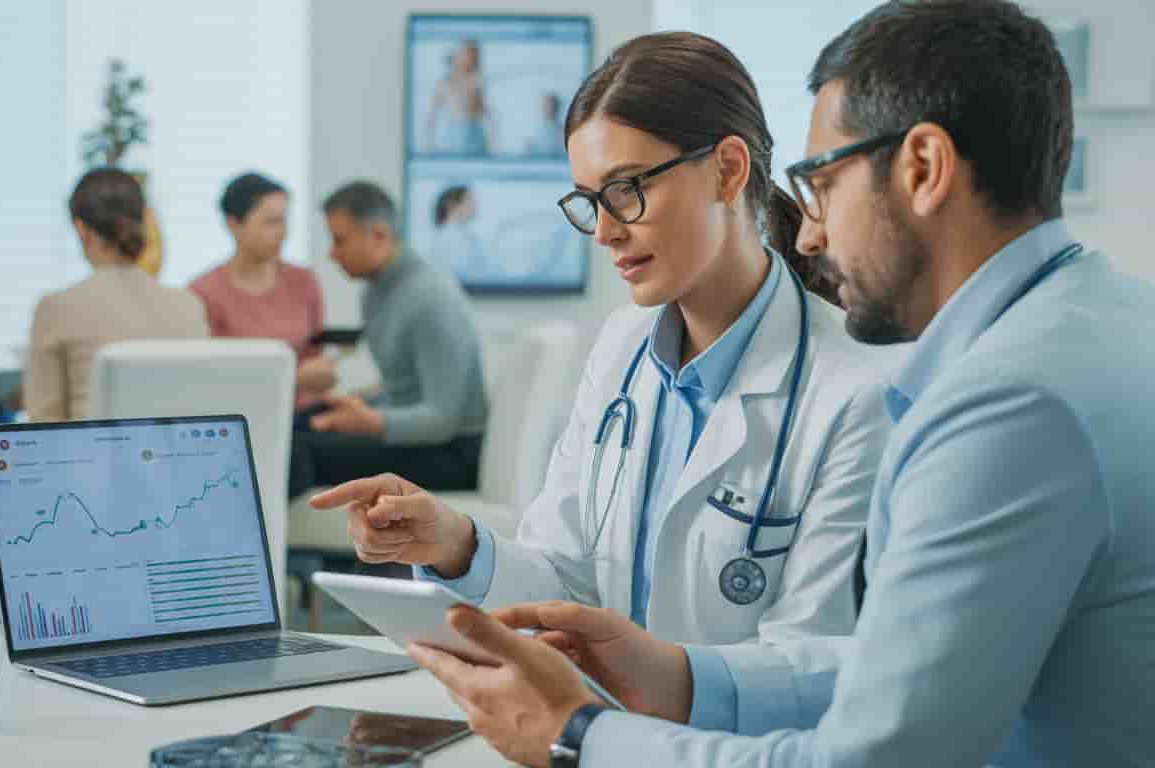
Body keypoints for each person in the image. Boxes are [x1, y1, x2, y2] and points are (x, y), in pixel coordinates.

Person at [402, 3, 1155, 767]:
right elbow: (895, 673)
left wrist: (578, 737)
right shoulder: (1111, 325)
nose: (810, 233)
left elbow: (874, 754)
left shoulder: (1006, 406)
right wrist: (678, 675)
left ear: (924, 168)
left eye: (822, 182)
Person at [312, 31, 897, 664]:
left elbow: (808, 663)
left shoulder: (858, 388)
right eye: (591, 202)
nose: (606, 232)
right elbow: (564, 578)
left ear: (728, 170)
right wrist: (455, 544)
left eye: (626, 189)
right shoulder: (621, 345)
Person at [287, 181, 488, 498]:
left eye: (340, 240)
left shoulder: (432, 299)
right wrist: (365, 408)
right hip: (415, 438)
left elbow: (442, 420)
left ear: (379, 236)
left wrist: (371, 421)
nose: (332, 253)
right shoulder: (375, 291)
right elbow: (402, 389)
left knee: (295, 452)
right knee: (296, 424)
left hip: (451, 452)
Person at [25, 168, 208, 421]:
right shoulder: (189, 305)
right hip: (174, 459)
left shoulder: (55, 308)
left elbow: (44, 426)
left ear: (81, 229)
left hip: (89, 458)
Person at [190, 173, 334, 410]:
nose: (282, 232)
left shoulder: (304, 281)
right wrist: (295, 380)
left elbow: (316, 353)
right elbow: (210, 379)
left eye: (285, 220)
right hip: (240, 417)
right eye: (270, 222)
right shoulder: (203, 293)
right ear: (234, 224)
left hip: (304, 418)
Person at [423, 39, 491, 155]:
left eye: (473, 57)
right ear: (457, 57)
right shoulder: (444, 84)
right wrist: (429, 145)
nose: (469, 60)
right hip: (454, 136)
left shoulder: (475, 81)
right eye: (466, 55)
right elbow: (432, 116)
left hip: (475, 134)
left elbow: (482, 111)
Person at [430, 184, 484, 281]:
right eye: (470, 201)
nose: (475, 206)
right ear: (451, 205)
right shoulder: (448, 238)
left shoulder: (464, 236)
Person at [526, 92, 566, 156]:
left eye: (551, 107)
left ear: (557, 108)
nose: (549, 110)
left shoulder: (563, 132)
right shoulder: (536, 131)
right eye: (546, 106)